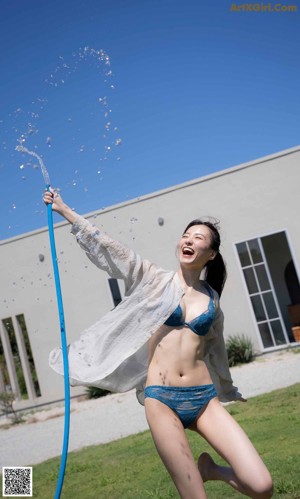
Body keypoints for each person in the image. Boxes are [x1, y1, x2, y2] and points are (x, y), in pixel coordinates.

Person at [43, 188, 273, 499]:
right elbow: (110, 246)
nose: (189, 240)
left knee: (262, 486)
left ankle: (211, 471)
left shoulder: (212, 298)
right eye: (186, 235)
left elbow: (215, 350)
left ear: (211, 254)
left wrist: (228, 389)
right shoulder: (153, 280)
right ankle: (200, 478)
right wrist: (64, 210)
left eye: (198, 238)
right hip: (162, 400)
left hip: (204, 399)